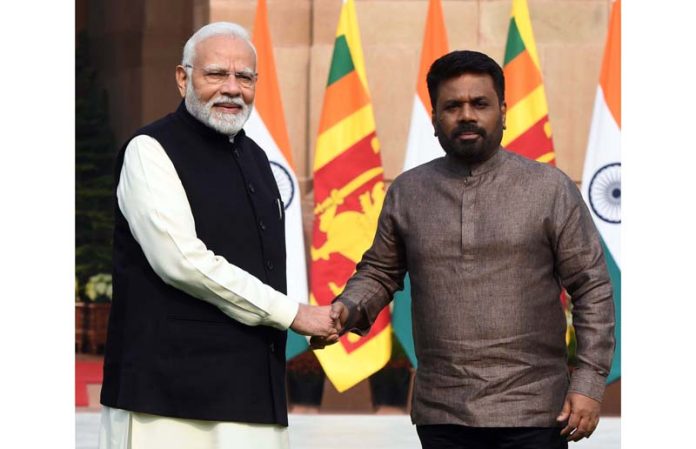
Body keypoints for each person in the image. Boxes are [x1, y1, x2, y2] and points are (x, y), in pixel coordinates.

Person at [311, 50, 615, 449]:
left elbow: (591, 287)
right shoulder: (408, 191)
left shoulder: (549, 189)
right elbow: (380, 272)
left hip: (535, 409)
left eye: (480, 104)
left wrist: (590, 382)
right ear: (435, 118)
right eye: (452, 106)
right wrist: (345, 310)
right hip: (443, 411)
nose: (467, 115)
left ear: (503, 112)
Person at [99, 22, 338, 449]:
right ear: (182, 77)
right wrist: (294, 313)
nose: (232, 88)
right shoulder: (149, 150)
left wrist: (305, 314)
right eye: (216, 74)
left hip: (252, 396)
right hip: (167, 402)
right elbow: (181, 261)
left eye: (244, 77)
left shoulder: (259, 160)